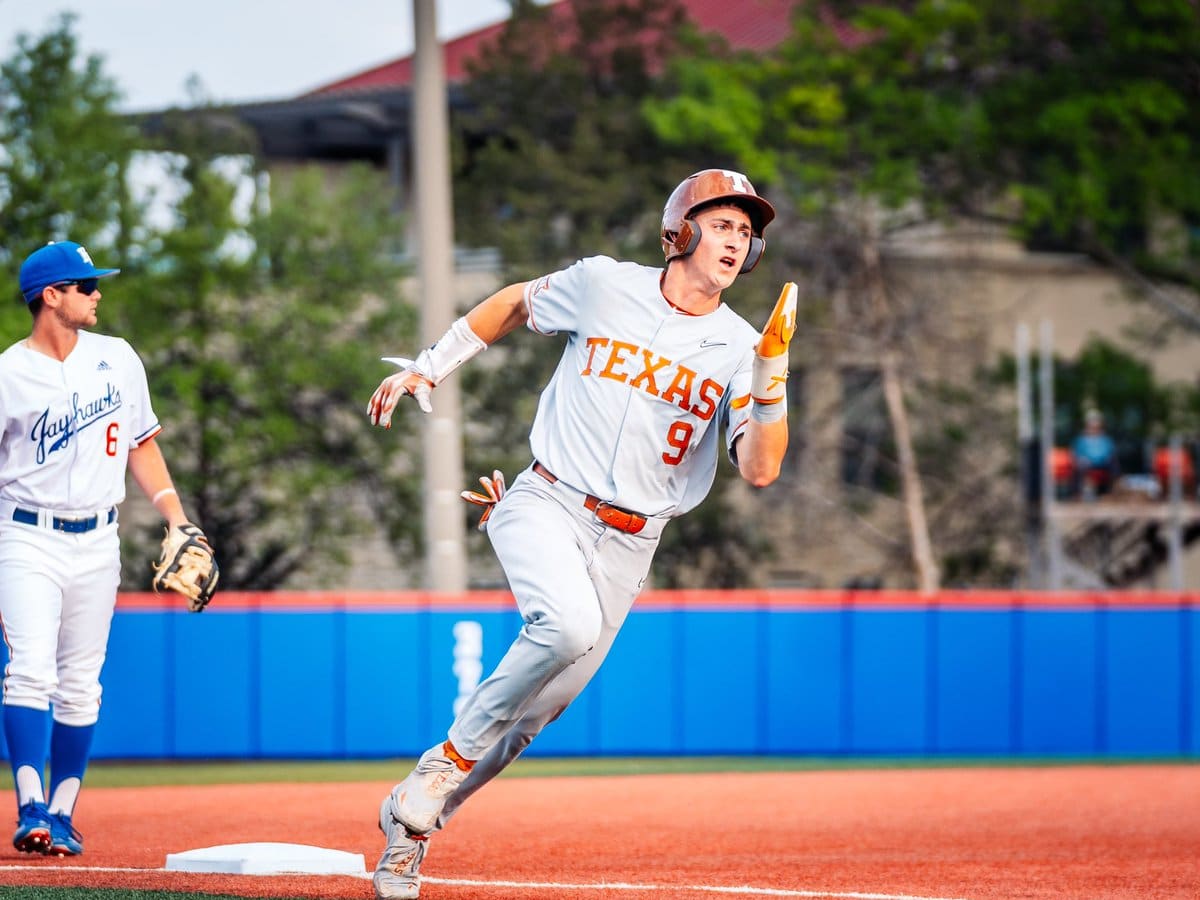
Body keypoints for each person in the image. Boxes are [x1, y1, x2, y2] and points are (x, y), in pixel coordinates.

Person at [365, 169, 795, 899]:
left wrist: (771, 378)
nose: (736, 240)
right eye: (722, 224)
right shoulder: (604, 285)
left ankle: (410, 827)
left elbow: (759, 468)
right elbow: (511, 304)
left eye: (746, 232)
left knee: (531, 719)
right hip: (546, 498)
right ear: (680, 230)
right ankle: (439, 768)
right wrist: (431, 367)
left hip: (632, 543)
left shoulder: (741, 349)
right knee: (564, 626)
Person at [0, 240, 214, 856]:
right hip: (24, 534)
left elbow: (141, 445)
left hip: (99, 537)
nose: (98, 294)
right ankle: (30, 806)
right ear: (51, 296)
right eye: (85, 285)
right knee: (30, 669)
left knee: (81, 685)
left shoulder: (117, 358)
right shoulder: (10, 373)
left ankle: (62, 815)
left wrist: (177, 519)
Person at [1071, 408, 1118, 499]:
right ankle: (1077, 494)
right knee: (1079, 467)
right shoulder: (1081, 440)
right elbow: (1077, 453)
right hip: (1086, 463)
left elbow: (1110, 451)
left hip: (1103, 463)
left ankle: (1112, 491)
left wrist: (1104, 459)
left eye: (1096, 422)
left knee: (1114, 464)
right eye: (1092, 422)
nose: (1094, 425)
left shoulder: (1105, 439)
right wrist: (1083, 459)